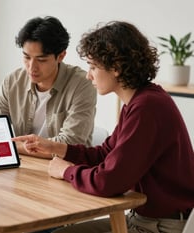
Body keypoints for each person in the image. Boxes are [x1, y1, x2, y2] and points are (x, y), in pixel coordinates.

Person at [13, 21, 194, 233]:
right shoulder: (139, 102)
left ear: (115, 67)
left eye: (93, 66)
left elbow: (109, 181)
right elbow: (106, 153)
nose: (89, 75)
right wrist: (56, 148)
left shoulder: (147, 108)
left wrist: (67, 171)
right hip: (142, 219)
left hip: (163, 227)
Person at [0, 16, 97, 159]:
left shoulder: (82, 84)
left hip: (65, 171)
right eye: (26, 57)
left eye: (41, 60)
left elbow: (70, 145)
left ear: (61, 56)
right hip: (23, 165)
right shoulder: (13, 81)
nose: (32, 67)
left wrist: (11, 146)